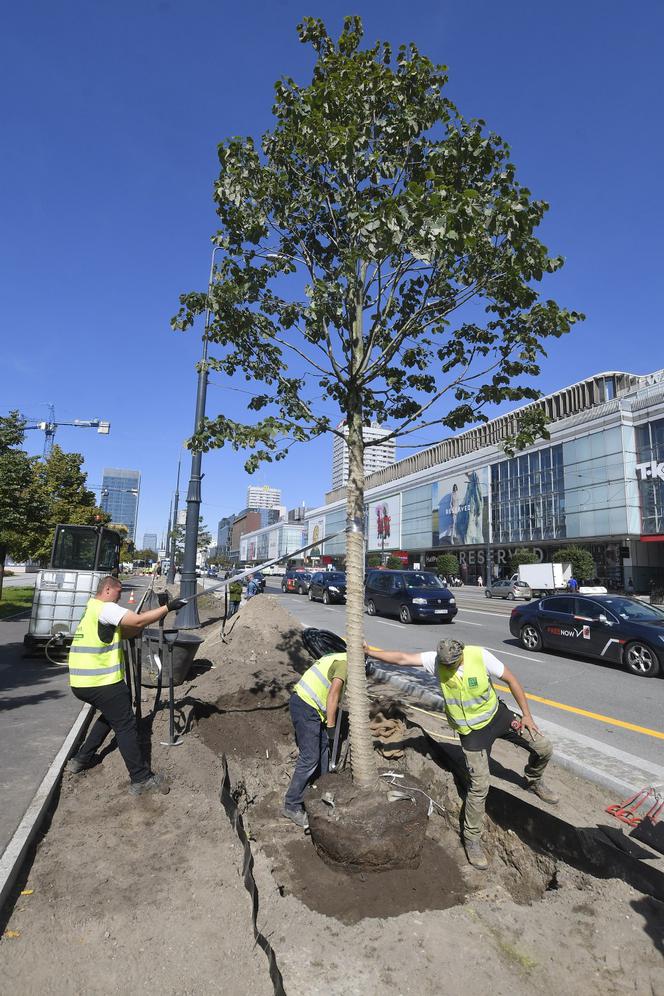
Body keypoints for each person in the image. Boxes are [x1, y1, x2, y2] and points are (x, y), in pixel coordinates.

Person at [364, 638, 558, 870]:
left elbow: (511, 679)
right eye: (445, 665)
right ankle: (472, 840)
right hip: (472, 733)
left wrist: (526, 715)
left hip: (498, 717)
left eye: (452, 664)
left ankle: (534, 779)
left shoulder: (480, 656)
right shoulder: (436, 661)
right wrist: (371, 652)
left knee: (544, 747)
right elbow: (403, 658)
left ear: (461, 655)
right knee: (479, 786)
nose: (448, 669)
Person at [66, 575, 187, 795]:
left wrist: (140, 626)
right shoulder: (106, 608)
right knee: (126, 725)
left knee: (111, 716)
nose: (120, 596)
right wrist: (167, 608)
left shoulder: (91, 609)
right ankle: (140, 778)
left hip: (82, 682)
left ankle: (80, 760)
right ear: (108, 590)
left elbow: (127, 629)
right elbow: (137, 621)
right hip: (100, 681)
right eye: (119, 592)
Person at [283, 650, 347, 828]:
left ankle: (322, 790)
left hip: (311, 708)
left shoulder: (338, 656)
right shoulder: (345, 664)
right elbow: (333, 695)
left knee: (324, 749)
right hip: (305, 706)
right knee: (310, 757)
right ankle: (292, 804)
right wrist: (332, 728)